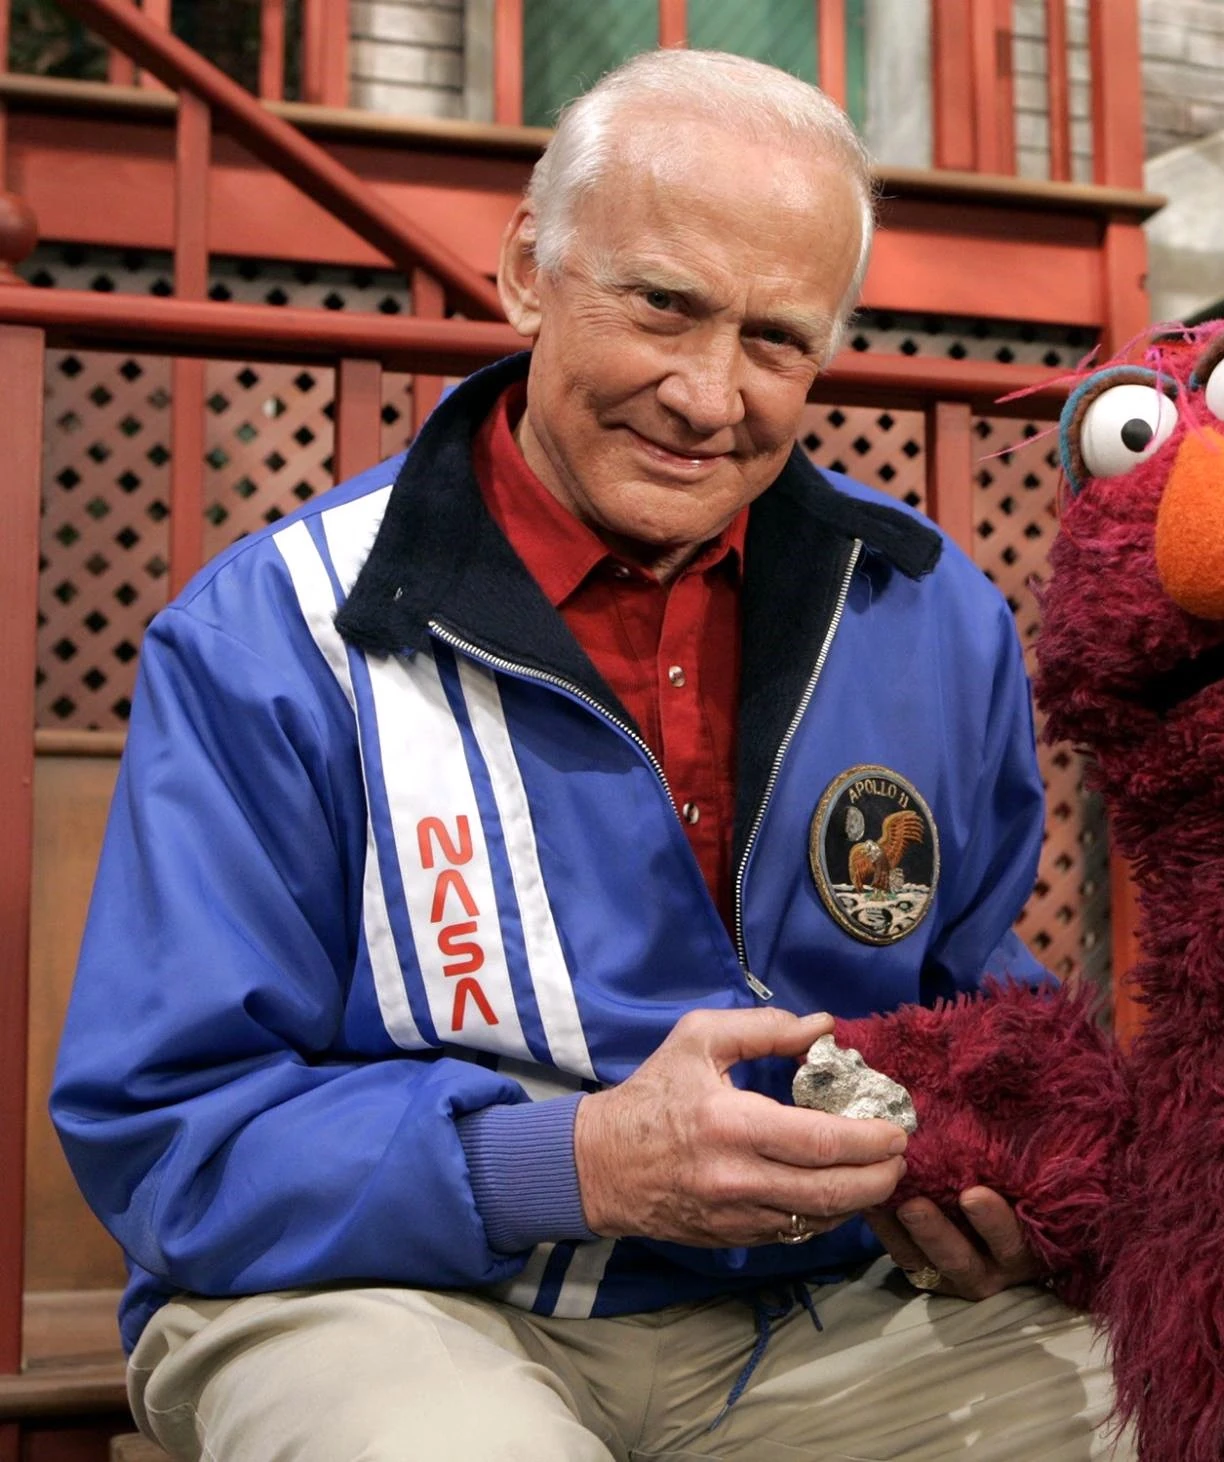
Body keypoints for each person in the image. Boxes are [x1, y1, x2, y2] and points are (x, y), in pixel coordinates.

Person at [51, 48, 1120, 1462]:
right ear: (527, 272)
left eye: (777, 341)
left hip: (828, 1312)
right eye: (664, 305)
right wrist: (573, 1164)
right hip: (381, 1302)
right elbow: (165, 1133)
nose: (709, 395)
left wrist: (1010, 1181)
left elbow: (978, 1002)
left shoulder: (930, 614)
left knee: (1197, 1399)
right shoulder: (270, 634)